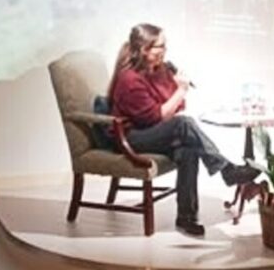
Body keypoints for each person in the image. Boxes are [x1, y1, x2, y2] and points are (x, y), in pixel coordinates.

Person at [108, 23, 259, 237]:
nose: (165, 51)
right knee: (183, 124)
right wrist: (180, 90)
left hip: (150, 130)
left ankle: (186, 216)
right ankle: (226, 170)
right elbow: (157, 116)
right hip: (131, 137)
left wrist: (174, 89)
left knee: (189, 148)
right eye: (160, 46)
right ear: (144, 49)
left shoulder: (156, 72)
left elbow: (176, 107)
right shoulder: (130, 80)